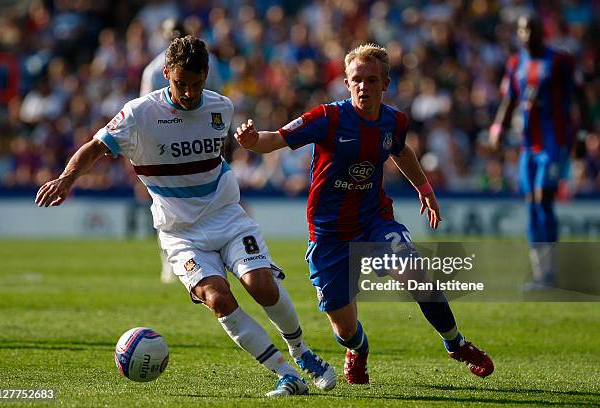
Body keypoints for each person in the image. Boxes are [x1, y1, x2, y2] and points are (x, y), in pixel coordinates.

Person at [35, 35, 335, 397]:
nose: (189, 93)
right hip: (180, 233)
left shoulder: (221, 108)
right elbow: (96, 147)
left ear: (207, 76)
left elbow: (218, 160)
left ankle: (302, 352)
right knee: (217, 298)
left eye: (196, 84)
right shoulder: (138, 114)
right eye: (180, 84)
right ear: (166, 75)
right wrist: (67, 179)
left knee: (260, 283)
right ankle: (285, 373)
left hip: (226, 216)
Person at [235, 43, 494, 384]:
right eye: (357, 79)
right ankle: (358, 349)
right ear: (346, 82)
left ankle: (456, 343)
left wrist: (424, 189)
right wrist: (252, 141)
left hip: (375, 221)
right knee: (343, 327)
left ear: (385, 84)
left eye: (372, 80)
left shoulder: (394, 121)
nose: (363, 86)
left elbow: (400, 151)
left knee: (414, 272)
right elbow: (276, 139)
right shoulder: (327, 118)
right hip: (329, 234)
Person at [489, 15, 593, 290]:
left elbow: (581, 97)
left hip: (554, 142)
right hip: (528, 145)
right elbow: (510, 99)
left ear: (541, 32)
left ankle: (549, 272)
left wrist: (582, 135)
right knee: (532, 202)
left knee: (542, 197)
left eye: (532, 29)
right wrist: (498, 127)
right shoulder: (515, 63)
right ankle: (540, 273)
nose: (526, 34)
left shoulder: (560, 60)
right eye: (523, 29)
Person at [140, 18, 223, 284]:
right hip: (166, 145)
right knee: (166, 205)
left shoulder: (210, 64)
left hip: (201, 137)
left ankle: (213, 251)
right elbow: (145, 111)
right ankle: (170, 258)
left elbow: (217, 100)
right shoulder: (154, 70)